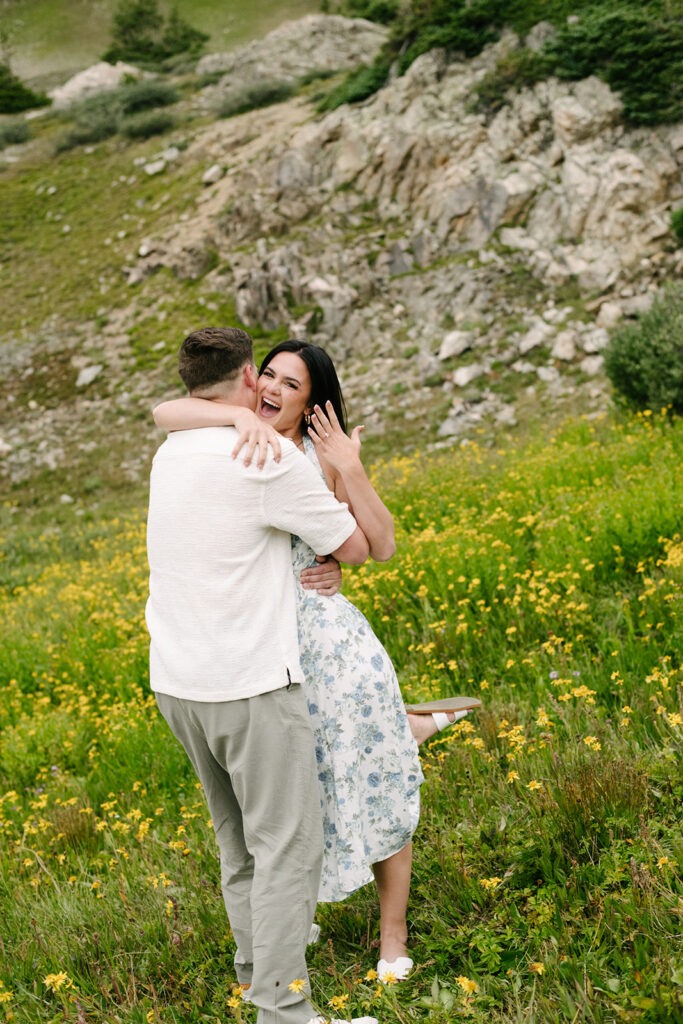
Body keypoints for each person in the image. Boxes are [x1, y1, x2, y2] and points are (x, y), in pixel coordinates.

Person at [146, 326, 376, 1024]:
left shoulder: (171, 449)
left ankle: (256, 974)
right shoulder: (269, 457)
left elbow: (170, 412)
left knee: (237, 842)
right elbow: (356, 547)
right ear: (249, 377)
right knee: (288, 848)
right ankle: (284, 1011)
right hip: (250, 683)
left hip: (178, 682)